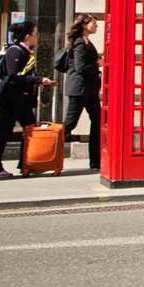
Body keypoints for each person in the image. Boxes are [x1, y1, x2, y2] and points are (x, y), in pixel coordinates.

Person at [0, 20, 54, 178]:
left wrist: (38, 82)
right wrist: (39, 80)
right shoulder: (16, 51)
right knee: (11, 131)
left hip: (19, 98)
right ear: (27, 36)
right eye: (35, 34)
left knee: (26, 130)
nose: (37, 37)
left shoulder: (25, 51)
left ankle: (25, 163)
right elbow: (14, 77)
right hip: (10, 98)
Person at [61, 14, 102, 171]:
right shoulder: (79, 42)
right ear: (85, 25)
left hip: (89, 90)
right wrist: (97, 64)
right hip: (79, 89)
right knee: (70, 124)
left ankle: (95, 161)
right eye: (94, 23)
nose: (96, 26)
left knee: (97, 122)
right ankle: (48, 152)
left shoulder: (86, 41)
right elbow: (80, 67)